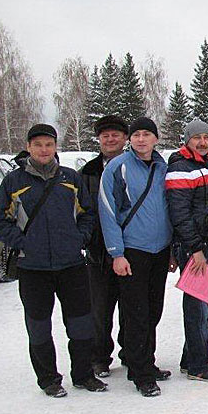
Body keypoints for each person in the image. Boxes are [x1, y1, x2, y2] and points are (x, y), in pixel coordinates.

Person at [0, 124, 104, 397]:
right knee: (39, 326)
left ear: (56, 147)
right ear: (29, 147)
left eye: (49, 145)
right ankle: (49, 379)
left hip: (72, 265)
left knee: (81, 324)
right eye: (38, 144)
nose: (44, 150)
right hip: (33, 268)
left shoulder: (70, 178)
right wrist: (25, 243)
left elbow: (88, 213)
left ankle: (84, 375)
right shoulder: (14, 182)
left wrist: (79, 238)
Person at [99, 117, 174, 397]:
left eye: (147, 134)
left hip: (159, 249)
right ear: (130, 140)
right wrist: (116, 253)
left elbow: (169, 208)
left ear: (156, 138)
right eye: (137, 135)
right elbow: (107, 210)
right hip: (132, 251)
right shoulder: (117, 168)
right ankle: (141, 373)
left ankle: (145, 361)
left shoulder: (163, 167)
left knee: (153, 310)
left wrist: (171, 249)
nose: (141, 139)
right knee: (136, 313)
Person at [165, 119, 208, 382]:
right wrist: (195, 248)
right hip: (195, 246)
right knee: (197, 305)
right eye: (197, 138)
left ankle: (191, 355)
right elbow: (179, 214)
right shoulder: (181, 168)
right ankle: (198, 366)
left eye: (206, 137)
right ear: (187, 140)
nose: (202, 142)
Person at [80, 115, 129, 378]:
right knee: (100, 309)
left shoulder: (134, 166)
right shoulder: (87, 172)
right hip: (98, 252)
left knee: (132, 308)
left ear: (125, 138)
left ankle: (131, 354)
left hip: (131, 249)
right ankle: (99, 356)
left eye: (116, 135)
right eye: (106, 135)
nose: (111, 139)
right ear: (99, 139)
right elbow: (79, 210)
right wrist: (87, 237)